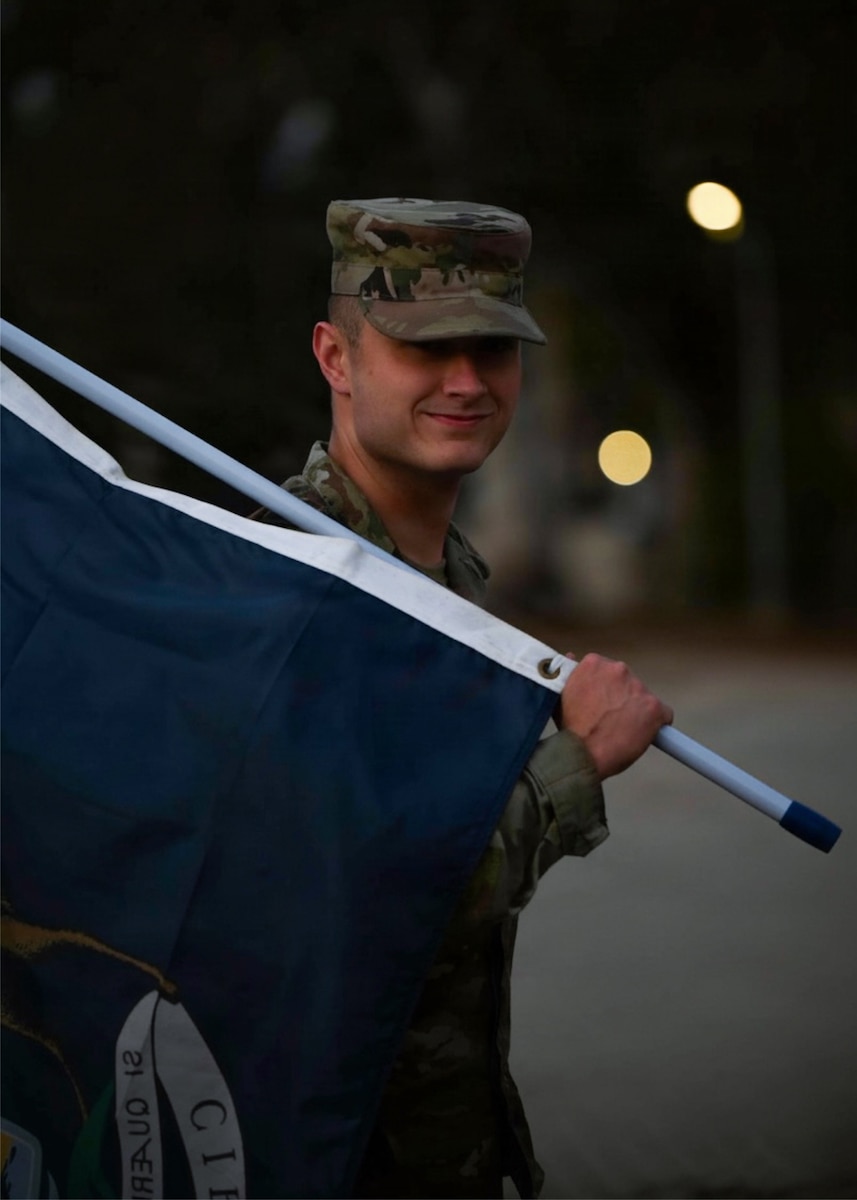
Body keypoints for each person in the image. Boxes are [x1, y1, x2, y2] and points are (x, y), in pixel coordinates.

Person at [253, 197, 673, 1199]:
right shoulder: (293, 590)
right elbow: (357, 896)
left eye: (493, 348)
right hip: (326, 1156)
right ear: (335, 356)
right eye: (422, 349)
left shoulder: (447, 583)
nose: (464, 381)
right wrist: (574, 762)